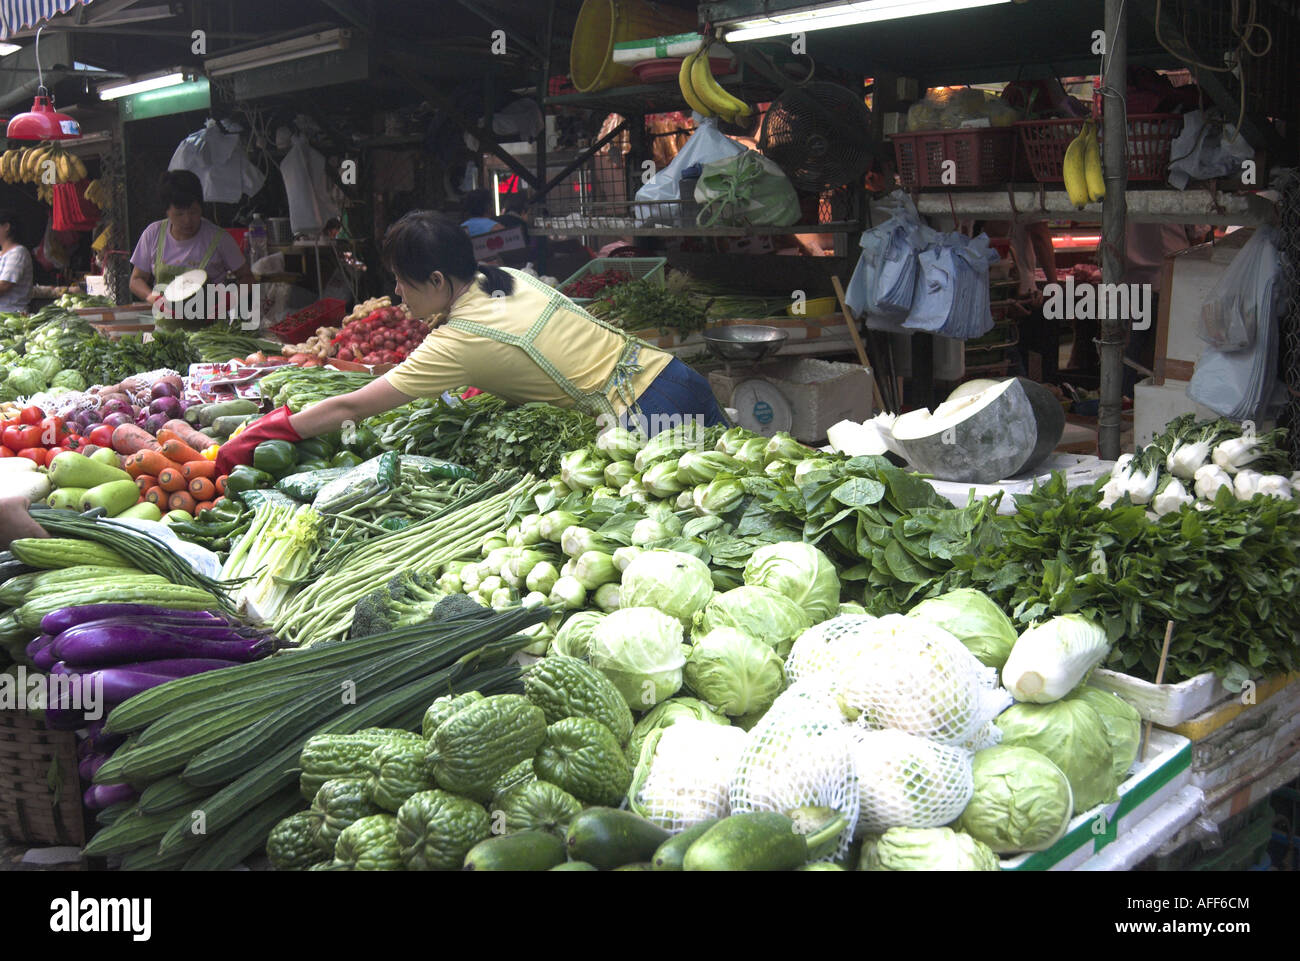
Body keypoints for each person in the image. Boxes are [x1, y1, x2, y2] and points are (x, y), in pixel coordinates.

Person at [216, 211, 728, 474]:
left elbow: (354, 404)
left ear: (437, 280)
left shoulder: (458, 342)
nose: (396, 293)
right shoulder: (503, 276)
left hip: (647, 417)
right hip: (678, 378)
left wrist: (268, 432)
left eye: (401, 280)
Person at [128, 170, 255, 325]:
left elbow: (248, 278)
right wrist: (153, 298)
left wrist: (228, 300)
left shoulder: (219, 238)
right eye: (179, 214)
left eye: (193, 212)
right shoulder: (153, 234)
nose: (188, 220)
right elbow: (136, 279)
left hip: (210, 332)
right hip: (165, 331)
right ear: (167, 211)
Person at [0, 209, 34, 314]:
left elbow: (3, 286)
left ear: (6, 227)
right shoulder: (2, 254)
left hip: (11, 317)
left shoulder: (17, 253)